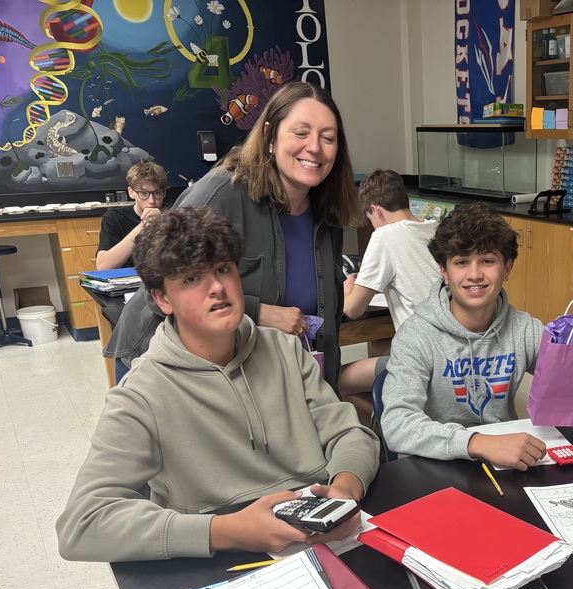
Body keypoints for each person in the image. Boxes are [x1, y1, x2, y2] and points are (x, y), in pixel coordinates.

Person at [56, 207, 379, 562]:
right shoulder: (142, 393)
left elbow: (349, 433)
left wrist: (344, 489)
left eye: (223, 269)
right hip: (225, 555)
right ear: (163, 299)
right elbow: (82, 526)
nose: (217, 288)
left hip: (326, 532)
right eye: (191, 279)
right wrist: (227, 531)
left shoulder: (285, 349)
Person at [104, 82, 363, 388]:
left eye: (328, 138)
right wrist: (259, 312)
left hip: (259, 371)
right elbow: (158, 291)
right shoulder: (221, 194)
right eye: (301, 132)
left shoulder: (327, 213)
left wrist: (328, 389)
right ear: (270, 137)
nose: (315, 147)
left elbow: (326, 321)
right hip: (166, 370)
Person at [380, 201, 573, 470]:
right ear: (444, 272)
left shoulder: (524, 329)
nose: (474, 275)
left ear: (507, 269)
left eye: (487, 261)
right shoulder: (416, 336)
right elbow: (397, 424)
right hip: (437, 462)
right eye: (461, 262)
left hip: (507, 460)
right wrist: (476, 442)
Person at [338, 168, 440, 409]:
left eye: (370, 219)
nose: (373, 225)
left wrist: (347, 285)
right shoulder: (436, 229)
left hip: (424, 356)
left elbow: (352, 309)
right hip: (450, 348)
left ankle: (391, 426)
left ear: (375, 210)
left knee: (338, 380)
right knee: (378, 345)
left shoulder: (385, 235)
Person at [95, 160, 168, 270]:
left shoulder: (173, 215)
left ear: (164, 193)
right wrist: (143, 226)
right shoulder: (114, 218)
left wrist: (165, 221)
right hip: (128, 279)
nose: (152, 201)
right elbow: (103, 267)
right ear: (131, 192)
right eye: (143, 193)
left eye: (157, 193)